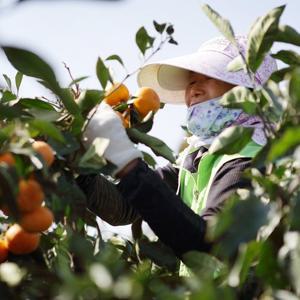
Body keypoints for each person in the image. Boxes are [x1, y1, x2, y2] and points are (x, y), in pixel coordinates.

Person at [77, 35, 277, 275]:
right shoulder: (197, 158)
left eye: (210, 77)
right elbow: (124, 207)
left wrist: (126, 159)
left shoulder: (251, 161)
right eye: (191, 81)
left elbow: (210, 246)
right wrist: (79, 170)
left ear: (247, 91)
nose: (194, 89)